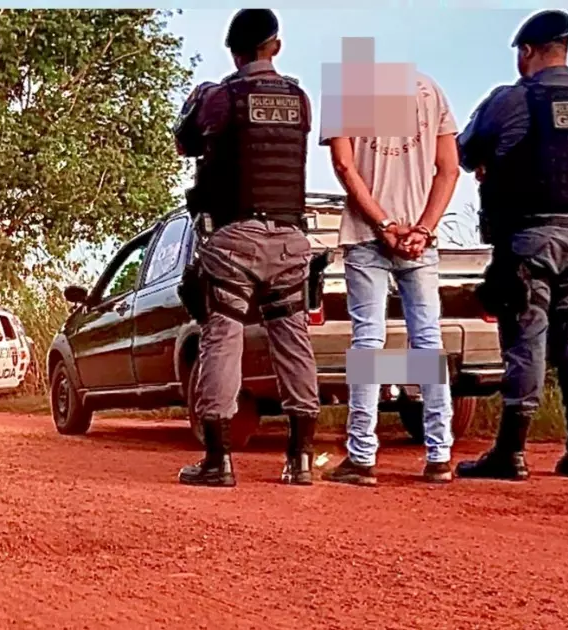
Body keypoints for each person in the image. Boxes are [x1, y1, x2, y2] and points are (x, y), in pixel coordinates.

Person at [454, 9, 568, 480]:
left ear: (527, 52)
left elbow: (464, 151)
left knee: (525, 340)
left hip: (528, 241)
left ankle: (511, 453)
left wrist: (490, 162)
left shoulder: (512, 100)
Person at [172, 9, 319, 487]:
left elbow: (185, 141)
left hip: (236, 239)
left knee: (222, 336)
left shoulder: (223, 97)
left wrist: (199, 101)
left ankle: (218, 460)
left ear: (234, 53)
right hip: (291, 240)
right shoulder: (299, 98)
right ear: (275, 46)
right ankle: (299, 460)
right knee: (292, 339)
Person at [319, 68, 460, 485]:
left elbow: (345, 166)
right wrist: (424, 229)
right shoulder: (431, 87)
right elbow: (449, 169)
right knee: (427, 343)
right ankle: (439, 455)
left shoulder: (346, 85)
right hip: (420, 239)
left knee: (368, 343)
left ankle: (361, 456)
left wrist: (383, 225)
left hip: (367, 235)